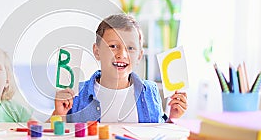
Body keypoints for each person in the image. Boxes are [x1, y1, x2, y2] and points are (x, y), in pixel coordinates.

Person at [52, 14, 187, 123]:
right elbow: (51, 135)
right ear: (97, 51)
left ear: (139, 55)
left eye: (130, 48)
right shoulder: (76, 94)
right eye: (113, 46)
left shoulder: (150, 91)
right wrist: (58, 113)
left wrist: (172, 118)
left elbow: (158, 134)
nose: (121, 54)